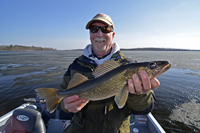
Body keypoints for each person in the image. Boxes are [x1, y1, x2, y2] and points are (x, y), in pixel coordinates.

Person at [58, 13, 160, 133]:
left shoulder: (129, 64)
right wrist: (66, 105)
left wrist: (140, 94)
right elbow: (59, 104)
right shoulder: (75, 65)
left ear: (113, 34)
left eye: (105, 29)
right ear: (90, 34)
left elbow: (145, 109)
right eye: (94, 29)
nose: (99, 34)